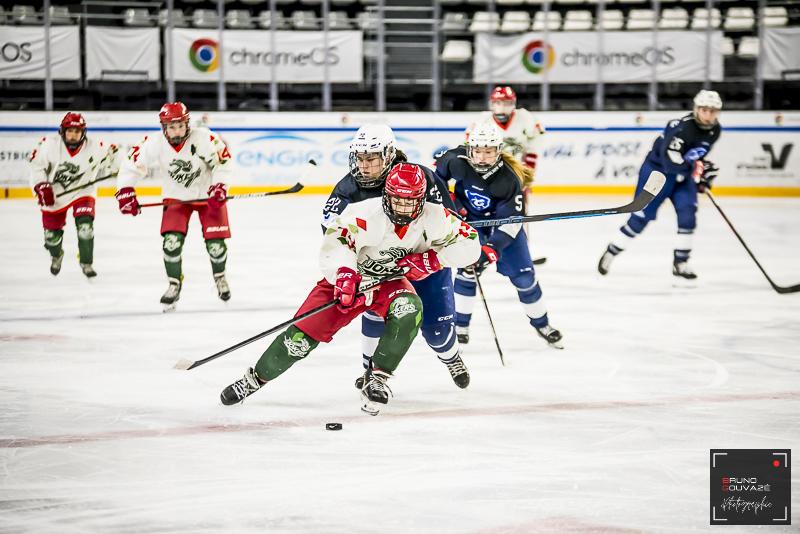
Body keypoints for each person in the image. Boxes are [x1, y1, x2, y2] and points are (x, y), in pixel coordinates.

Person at [220, 163, 481, 415]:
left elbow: (470, 243)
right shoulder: (365, 213)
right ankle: (256, 378)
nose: (403, 207)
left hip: (389, 282)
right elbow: (337, 241)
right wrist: (344, 274)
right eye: (397, 200)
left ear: (421, 199)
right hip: (351, 282)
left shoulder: (436, 217)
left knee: (409, 309)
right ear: (386, 197)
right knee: (298, 341)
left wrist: (434, 259)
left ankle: (378, 378)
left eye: (410, 201)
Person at [323, 124, 472, 390]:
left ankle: (451, 356)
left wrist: (432, 259)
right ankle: (370, 371)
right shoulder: (346, 192)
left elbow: (449, 225)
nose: (364, 165)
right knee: (377, 316)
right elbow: (336, 239)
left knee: (437, 332)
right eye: (360, 157)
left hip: (425, 264)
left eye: (372, 158)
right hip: (379, 268)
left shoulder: (420, 178)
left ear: (389, 154)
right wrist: (350, 271)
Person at [436, 120, 563, 349]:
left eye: (488, 152)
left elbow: (511, 225)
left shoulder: (509, 179)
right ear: (470, 149)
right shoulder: (455, 160)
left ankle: (542, 323)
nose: (482, 157)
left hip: (502, 227)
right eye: (478, 151)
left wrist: (491, 248)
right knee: (467, 272)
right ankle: (461, 326)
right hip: (472, 224)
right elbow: (437, 181)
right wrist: (452, 204)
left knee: (525, 278)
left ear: (498, 150)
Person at [115, 102, 233, 310]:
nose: (176, 131)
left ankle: (220, 276)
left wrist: (219, 186)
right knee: (171, 243)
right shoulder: (154, 142)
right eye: (171, 127)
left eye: (180, 126)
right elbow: (132, 164)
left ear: (187, 124)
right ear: (164, 127)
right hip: (176, 197)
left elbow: (223, 162)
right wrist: (126, 190)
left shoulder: (204, 138)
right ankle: (173, 283)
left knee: (216, 246)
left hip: (208, 196)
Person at [597, 90, 722, 280]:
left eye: (713, 111)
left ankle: (681, 263)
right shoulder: (681, 128)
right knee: (640, 218)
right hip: (658, 173)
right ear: (696, 109)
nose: (708, 115)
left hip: (682, 176)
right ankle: (611, 252)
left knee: (688, 215)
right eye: (705, 110)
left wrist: (702, 172)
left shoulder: (715, 130)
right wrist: (695, 169)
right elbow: (670, 162)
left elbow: (695, 155)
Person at [29, 112, 119, 278]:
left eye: (77, 132)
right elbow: (36, 166)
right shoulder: (49, 145)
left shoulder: (96, 146)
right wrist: (41, 185)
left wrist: (116, 168)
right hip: (55, 195)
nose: (73, 135)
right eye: (69, 131)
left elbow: (115, 153)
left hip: (82, 192)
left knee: (85, 229)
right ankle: (56, 255)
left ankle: (86, 262)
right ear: (62, 131)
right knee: (51, 238)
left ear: (83, 133)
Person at [469, 85, 546, 262]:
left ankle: (522, 252)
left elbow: (533, 148)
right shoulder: (482, 121)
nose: (501, 108)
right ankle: (480, 249)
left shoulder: (526, 118)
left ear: (513, 104)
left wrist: (526, 178)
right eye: (497, 103)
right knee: (481, 212)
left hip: (514, 176)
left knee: (518, 214)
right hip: (487, 175)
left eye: (505, 103)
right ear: (491, 104)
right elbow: (470, 148)